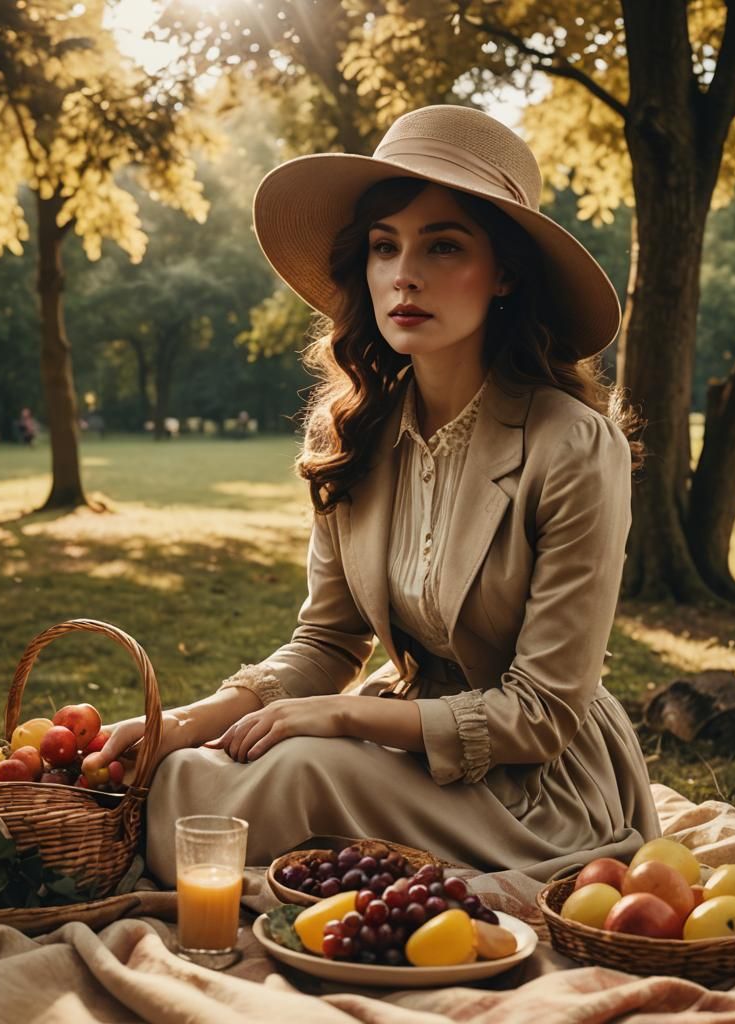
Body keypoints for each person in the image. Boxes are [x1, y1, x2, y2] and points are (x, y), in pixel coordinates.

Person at [85, 105, 661, 887]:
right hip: (405, 743)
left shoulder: (571, 444)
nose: (404, 274)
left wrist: (343, 715)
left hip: (537, 784)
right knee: (186, 767)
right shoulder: (355, 433)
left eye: (443, 245)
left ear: (505, 274)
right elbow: (327, 642)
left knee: (269, 778)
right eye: (384, 247)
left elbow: (543, 714)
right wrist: (180, 723)